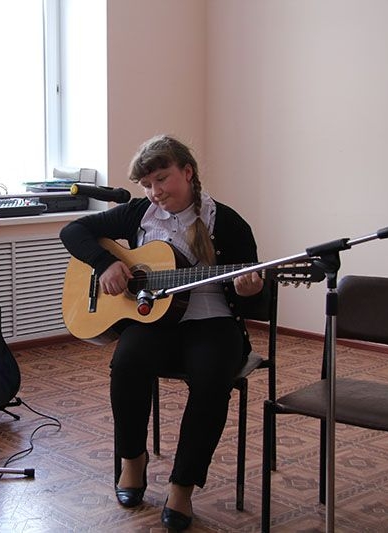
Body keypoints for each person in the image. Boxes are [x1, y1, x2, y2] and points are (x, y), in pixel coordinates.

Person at [59, 134, 264, 531]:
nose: (155, 192)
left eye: (162, 179)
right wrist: (105, 264)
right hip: (154, 320)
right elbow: (74, 231)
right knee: (127, 364)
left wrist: (250, 291)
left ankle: (182, 486)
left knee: (212, 379)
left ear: (187, 172)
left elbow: (253, 302)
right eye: (147, 184)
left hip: (214, 323)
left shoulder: (228, 222)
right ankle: (132, 461)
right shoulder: (139, 214)